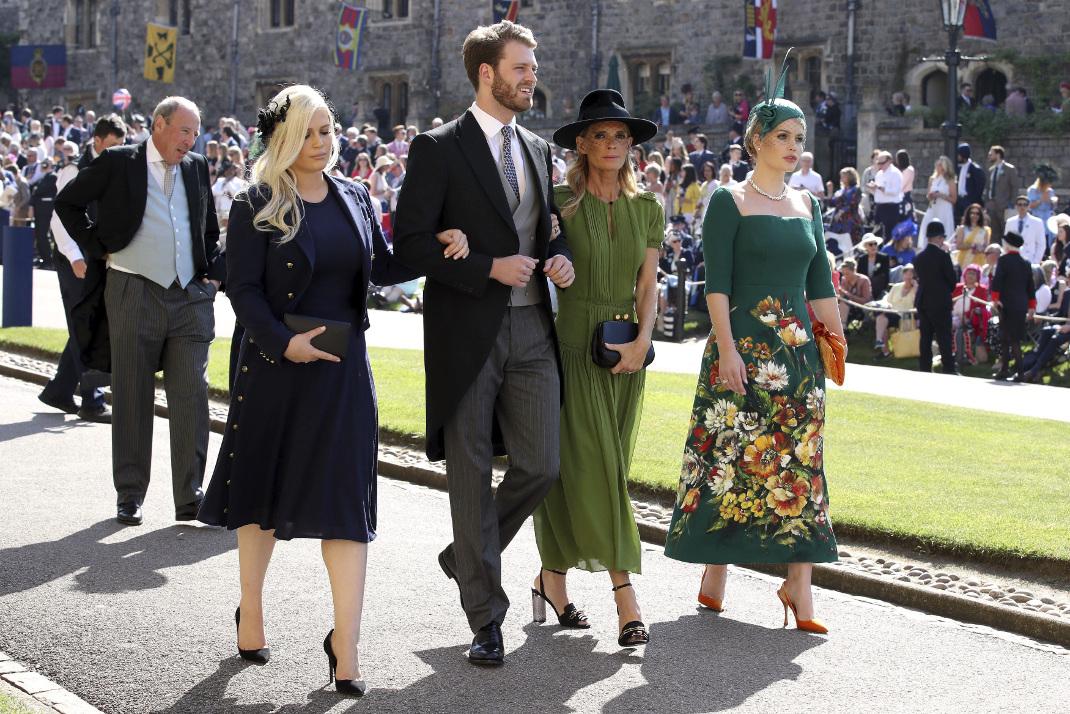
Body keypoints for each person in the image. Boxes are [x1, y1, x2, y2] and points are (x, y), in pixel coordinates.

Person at [196, 85, 463, 696]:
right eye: (309, 133)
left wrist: (438, 247)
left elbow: (383, 266)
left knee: (346, 505)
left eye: (328, 130)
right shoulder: (256, 201)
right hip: (276, 371)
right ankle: (251, 608)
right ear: (284, 138)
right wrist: (282, 343)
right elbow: (243, 289)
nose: (322, 142)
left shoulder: (355, 195)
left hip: (343, 375)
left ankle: (347, 645)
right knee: (260, 494)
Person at [392, 20, 576, 667]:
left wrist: (560, 256)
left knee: (542, 464)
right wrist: (485, 268)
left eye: (533, 66)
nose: (532, 76)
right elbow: (409, 245)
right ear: (487, 73)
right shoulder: (438, 148)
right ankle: (485, 618)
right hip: (465, 330)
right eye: (521, 67)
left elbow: (547, 229)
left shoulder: (539, 149)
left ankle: (465, 554)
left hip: (533, 328)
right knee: (469, 473)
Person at [664, 59, 842, 634]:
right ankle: (715, 570)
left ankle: (799, 586)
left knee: (801, 464)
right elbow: (716, 286)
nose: (793, 147)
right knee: (729, 458)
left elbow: (820, 284)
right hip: (739, 350)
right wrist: (727, 350)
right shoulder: (728, 199)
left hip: (798, 358)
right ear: (756, 140)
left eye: (799, 139)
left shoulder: (809, 205)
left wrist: (836, 343)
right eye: (783, 137)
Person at [54, 96, 225, 527]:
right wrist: (98, 247)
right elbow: (68, 203)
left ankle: (191, 495)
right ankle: (129, 494)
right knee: (132, 392)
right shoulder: (119, 161)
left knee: (192, 392)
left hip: (190, 296)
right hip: (132, 289)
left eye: (195, 132)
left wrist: (211, 278)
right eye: (184, 130)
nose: (191, 140)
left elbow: (207, 228)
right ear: (159, 124)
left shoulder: (196, 166)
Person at [529, 89, 660, 648]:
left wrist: (642, 344)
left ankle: (550, 581)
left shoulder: (647, 207)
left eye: (620, 135)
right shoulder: (557, 203)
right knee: (599, 470)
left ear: (631, 145)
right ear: (581, 144)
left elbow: (648, 287)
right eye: (600, 135)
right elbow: (536, 264)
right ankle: (625, 598)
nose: (612, 144)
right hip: (571, 348)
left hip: (627, 352)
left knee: (598, 470)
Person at [38, 114, 127, 423]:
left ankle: (60, 390)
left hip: (96, 257)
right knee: (87, 324)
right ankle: (92, 400)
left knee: (86, 323)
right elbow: (59, 218)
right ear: (97, 141)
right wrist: (75, 257)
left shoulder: (114, 168)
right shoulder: (75, 170)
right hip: (73, 259)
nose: (117, 149)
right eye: (112, 144)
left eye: (121, 144)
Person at [913, 220, 958, 374]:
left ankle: (925, 367)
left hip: (924, 300)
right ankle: (948, 368)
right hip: (940, 301)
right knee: (944, 336)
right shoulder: (943, 256)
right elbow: (952, 281)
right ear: (939, 238)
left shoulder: (919, 257)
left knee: (925, 336)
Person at [990, 232, 1036, 380]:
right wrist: (1032, 306)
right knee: (1012, 338)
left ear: (1008, 245)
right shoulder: (1025, 263)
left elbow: (997, 281)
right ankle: (1007, 369)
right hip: (1021, 306)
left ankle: (1018, 372)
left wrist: (995, 299)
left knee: (1007, 338)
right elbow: (1030, 287)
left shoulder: (1003, 260)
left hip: (1007, 305)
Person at [1018, 285, 1070, 382]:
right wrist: (1046, 316)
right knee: (1046, 331)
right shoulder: (1067, 293)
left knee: (1055, 339)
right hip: (1064, 326)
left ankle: (1034, 371)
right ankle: (1032, 366)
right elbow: (1061, 314)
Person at [951, 265, 990, 366]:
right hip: (953, 316)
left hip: (971, 319)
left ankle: (960, 357)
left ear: (978, 276)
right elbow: (950, 303)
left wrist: (968, 315)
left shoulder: (982, 290)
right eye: (968, 273)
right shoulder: (958, 287)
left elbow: (982, 307)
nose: (970, 276)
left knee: (959, 329)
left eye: (973, 274)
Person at [874, 265, 917, 357]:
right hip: (891, 312)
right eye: (906, 274)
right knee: (881, 318)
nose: (908, 276)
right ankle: (883, 347)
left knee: (881, 318)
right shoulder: (896, 287)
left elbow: (918, 303)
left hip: (905, 316)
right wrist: (887, 306)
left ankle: (881, 344)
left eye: (910, 274)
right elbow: (887, 301)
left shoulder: (917, 289)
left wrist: (916, 286)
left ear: (914, 276)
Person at [919, 156, 957, 251]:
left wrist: (941, 195)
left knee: (944, 228)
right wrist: (931, 196)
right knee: (927, 225)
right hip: (933, 207)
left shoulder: (950, 180)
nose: (937, 166)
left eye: (940, 165)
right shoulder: (932, 179)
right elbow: (928, 195)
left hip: (944, 208)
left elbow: (954, 199)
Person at [984, 145, 1018, 243]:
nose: (989, 156)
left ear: (998, 155)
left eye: (991, 154)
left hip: (1004, 206)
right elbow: (988, 187)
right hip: (991, 206)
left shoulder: (1009, 169)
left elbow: (1014, 187)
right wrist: (986, 203)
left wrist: (1011, 204)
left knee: (1005, 230)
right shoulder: (991, 170)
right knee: (993, 233)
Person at [826, 167, 863, 256]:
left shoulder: (856, 189)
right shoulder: (841, 190)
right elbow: (832, 203)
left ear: (850, 177)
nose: (841, 178)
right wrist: (830, 191)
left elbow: (853, 203)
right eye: (841, 176)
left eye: (843, 176)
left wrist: (841, 212)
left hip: (850, 221)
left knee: (851, 243)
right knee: (839, 245)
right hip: (838, 223)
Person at [868, 151, 903, 242]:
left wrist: (880, 188)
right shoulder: (879, 174)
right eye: (878, 163)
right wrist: (873, 188)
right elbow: (877, 193)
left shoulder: (895, 173)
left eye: (882, 163)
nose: (880, 165)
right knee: (877, 234)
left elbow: (895, 191)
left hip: (891, 207)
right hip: (880, 206)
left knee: (889, 234)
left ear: (889, 161)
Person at [1009, 194, 1046, 266]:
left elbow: (1041, 244)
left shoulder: (1037, 222)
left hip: (1030, 260)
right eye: (1020, 205)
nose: (1022, 207)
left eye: (1025, 205)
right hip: (1013, 260)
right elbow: (1006, 243)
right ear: (1016, 207)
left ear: (1028, 207)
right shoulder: (1010, 222)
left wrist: (1036, 262)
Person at [952, 203, 991, 271]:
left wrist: (980, 249)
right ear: (968, 214)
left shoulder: (985, 230)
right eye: (972, 213)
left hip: (980, 261)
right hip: (964, 261)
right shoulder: (962, 229)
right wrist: (972, 245)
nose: (974, 215)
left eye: (977, 213)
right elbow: (958, 246)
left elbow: (987, 247)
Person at [954, 143, 986, 225]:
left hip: (969, 201)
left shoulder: (975, 169)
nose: (957, 157)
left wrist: (972, 201)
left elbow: (979, 187)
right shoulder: (958, 168)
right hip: (959, 201)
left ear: (963, 155)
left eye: (959, 155)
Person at [1027, 165, 1059, 245]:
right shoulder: (1032, 190)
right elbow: (1029, 206)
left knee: (1048, 241)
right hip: (1037, 218)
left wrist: (1053, 202)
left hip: (1048, 220)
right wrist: (1040, 200)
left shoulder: (1050, 191)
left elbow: (1053, 207)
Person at [836, 257, 872, 326]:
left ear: (854, 270)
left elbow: (866, 301)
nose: (845, 276)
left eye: (847, 273)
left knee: (844, 303)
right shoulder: (844, 279)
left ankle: (842, 327)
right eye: (843, 273)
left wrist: (848, 295)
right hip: (847, 307)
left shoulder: (864, 280)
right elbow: (842, 296)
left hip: (862, 308)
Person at [856, 234, 891, 299]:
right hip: (865, 289)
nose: (874, 246)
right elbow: (859, 275)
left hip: (880, 289)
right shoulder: (861, 259)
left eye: (875, 244)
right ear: (865, 246)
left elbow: (886, 276)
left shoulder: (884, 258)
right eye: (870, 244)